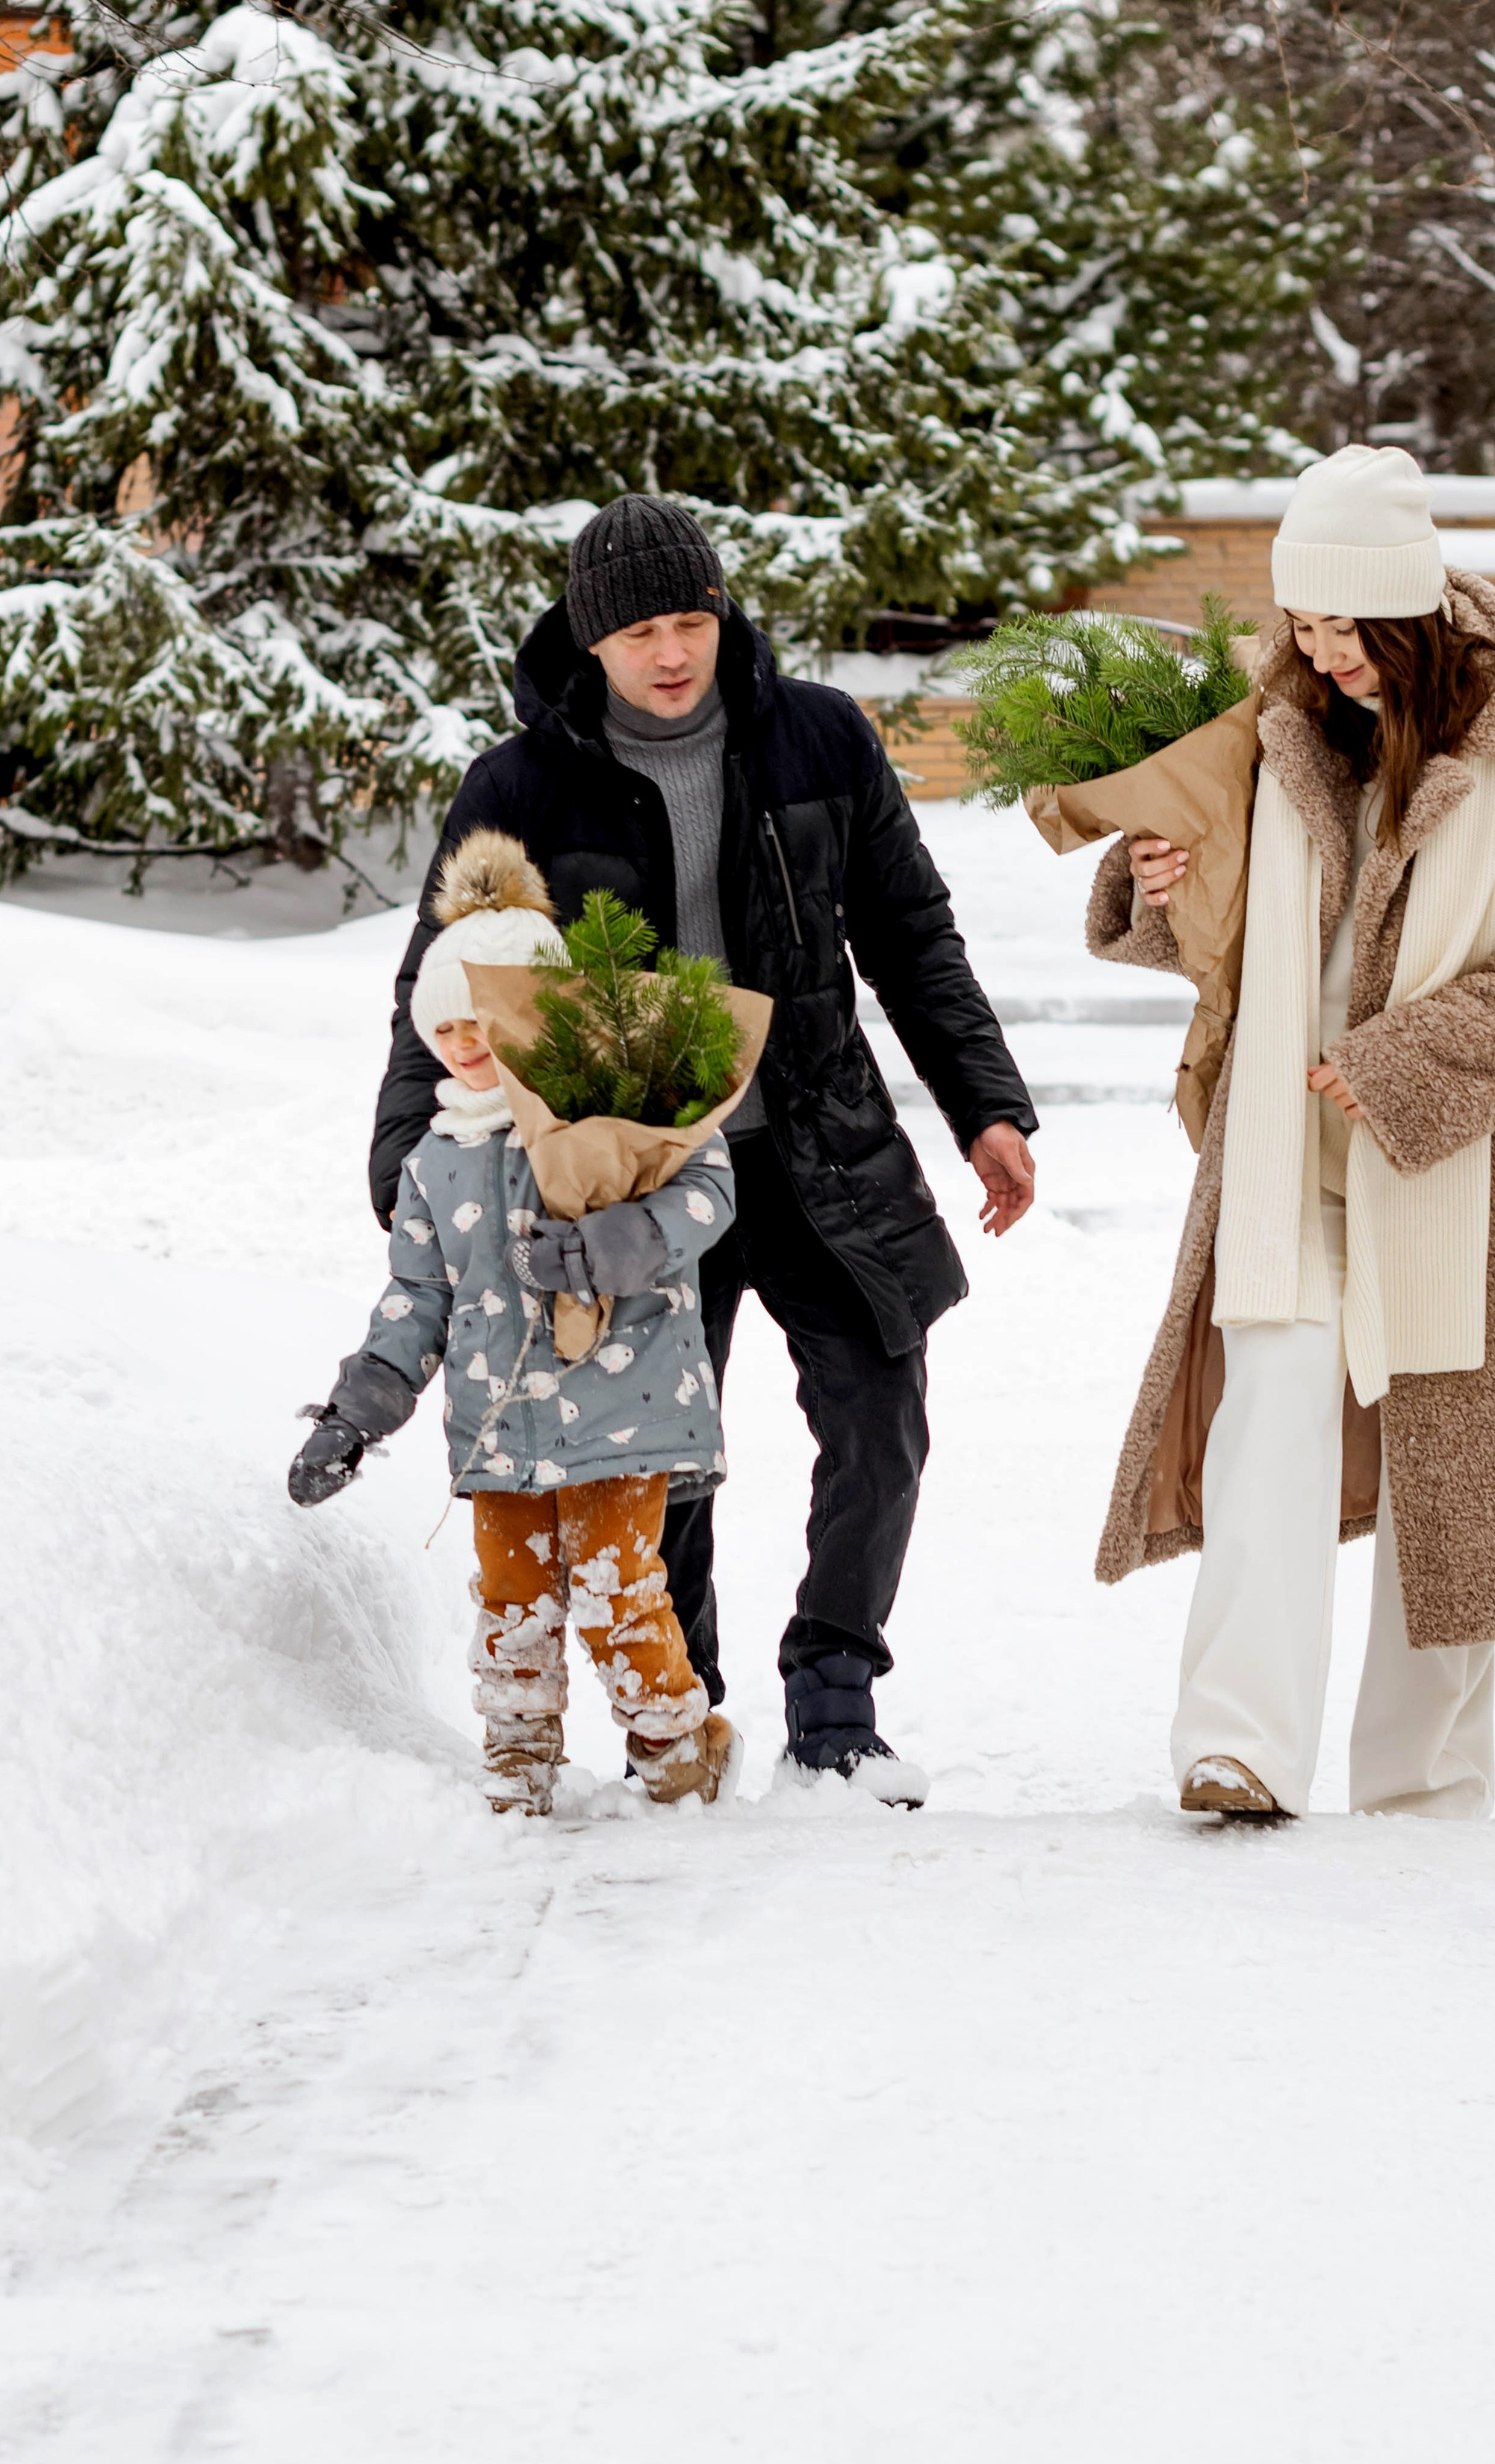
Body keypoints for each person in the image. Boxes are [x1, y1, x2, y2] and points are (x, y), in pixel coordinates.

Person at [370, 494, 1038, 1799]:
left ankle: (836, 1692)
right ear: (589, 640)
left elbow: (911, 934)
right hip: (633, 1171)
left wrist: (986, 1107)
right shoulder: (519, 784)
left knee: (880, 1412)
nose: (672, 654)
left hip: (818, 1143)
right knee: (654, 1448)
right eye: (638, 633)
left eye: (692, 621)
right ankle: (688, 1704)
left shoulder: (821, 738)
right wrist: (412, 1164)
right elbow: (443, 983)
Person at [1087, 444, 1495, 1820]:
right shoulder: (1275, 725)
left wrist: (1402, 1066)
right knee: (1266, 1424)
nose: (1323, 653)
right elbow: (1210, 926)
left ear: (1417, 612)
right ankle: (1238, 1747)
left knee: (1449, 1474)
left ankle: (1427, 1785)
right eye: (1305, 623)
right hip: (1289, 1152)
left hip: (1483, 1169)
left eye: (1349, 627)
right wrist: (1157, 877)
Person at [293, 828, 740, 1816]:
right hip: (501, 1430)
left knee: (622, 1590)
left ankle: (678, 1750)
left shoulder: (612, 1113)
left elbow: (707, 1196)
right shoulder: (434, 1159)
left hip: (621, 1408)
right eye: (445, 1027)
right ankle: (518, 1764)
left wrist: (605, 1248)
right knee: (513, 1603)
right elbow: (416, 1302)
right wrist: (355, 1413)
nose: (465, 1043)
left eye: (485, 1020)